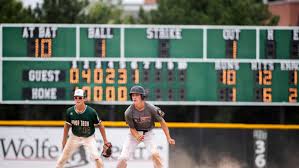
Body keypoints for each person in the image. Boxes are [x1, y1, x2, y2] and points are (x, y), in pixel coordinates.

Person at [116, 85, 175, 168]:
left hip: (148, 134)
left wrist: (168, 137)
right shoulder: (128, 112)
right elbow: (132, 128)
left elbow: (162, 122)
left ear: (142, 96)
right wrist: (137, 136)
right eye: (133, 95)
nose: (134, 97)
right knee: (123, 158)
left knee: (155, 154)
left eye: (137, 95)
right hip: (133, 135)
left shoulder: (151, 108)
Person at [56, 89, 110, 168]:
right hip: (74, 137)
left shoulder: (91, 112)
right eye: (76, 97)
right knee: (62, 159)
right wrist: (64, 140)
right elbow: (67, 125)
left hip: (89, 137)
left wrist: (105, 140)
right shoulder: (70, 111)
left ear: (84, 99)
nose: (77, 99)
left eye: (80, 98)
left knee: (97, 157)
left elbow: (100, 125)